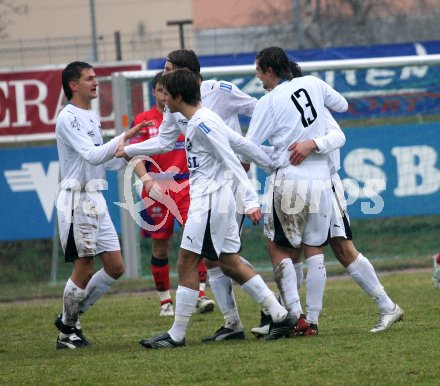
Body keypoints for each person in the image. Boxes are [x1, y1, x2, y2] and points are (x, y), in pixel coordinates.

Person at [116, 68, 294, 348]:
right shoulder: (198, 120)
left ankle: (176, 335)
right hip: (214, 200)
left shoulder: (201, 123)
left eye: (165, 94)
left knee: (187, 261)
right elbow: (238, 144)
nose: (162, 100)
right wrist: (127, 150)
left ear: (177, 96)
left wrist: (249, 200)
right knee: (229, 261)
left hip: (210, 201)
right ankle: (281, 314)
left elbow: (232, 160)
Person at [251, 60, 403, 337]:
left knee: (338, 249)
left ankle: (384, 306)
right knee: (303, 248)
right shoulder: (291, 104)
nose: (262, 80)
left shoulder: (307, 103)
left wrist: (310, 144)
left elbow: (338, 135)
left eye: (262, 74)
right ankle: (299, 319)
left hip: (326, 183)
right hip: (315, 179)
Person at [131, 49, 263, 342]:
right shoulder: (174, 105)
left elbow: (259, 112)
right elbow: (164, 141)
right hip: (202, 187)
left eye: (168, 69)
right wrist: (126, 150)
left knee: (222, 258)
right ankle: (240, 322)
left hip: (227, 185)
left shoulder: (218, 92)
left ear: (184, 74)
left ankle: (274, 313)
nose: (163, 75)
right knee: (219, 257)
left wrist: (250, 153)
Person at [243, 46, 348, 336]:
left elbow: (249, 146)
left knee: (277, 246)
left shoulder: (269, 101)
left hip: (290, 176)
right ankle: (311, 322)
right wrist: (312, 136)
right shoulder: (313, 83)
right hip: (320, 176)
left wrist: (264, 161)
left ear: (270, 71)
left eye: (259, 72)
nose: (258, 78)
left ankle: (295, 317)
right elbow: (341, 105)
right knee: (314, 248)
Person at [54, 61, 147, 349]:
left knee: (115, 266)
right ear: (73, 85)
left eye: (95, 77)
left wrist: (127, 155)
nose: (96, 82)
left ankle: (71, 316)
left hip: (96, 198)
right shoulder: (68, 118)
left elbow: (102, 159)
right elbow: (92, 156)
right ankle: (67, 333)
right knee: (82, 268)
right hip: (77, 199)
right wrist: (123, 138)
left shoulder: (91, 117)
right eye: (89, 78)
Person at [129, 71, 214, 316]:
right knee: (160, 247)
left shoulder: (187, 115)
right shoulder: (144, 120)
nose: (163, 96)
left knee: (195, 239)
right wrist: (146, 181)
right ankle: (165, 302)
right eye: (159, 90)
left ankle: (200, 294)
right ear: (154, 92)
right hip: (156, 187)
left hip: (187, 184)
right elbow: (134, 154)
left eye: (166, 91)